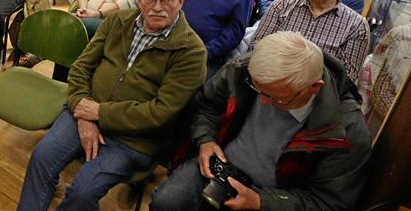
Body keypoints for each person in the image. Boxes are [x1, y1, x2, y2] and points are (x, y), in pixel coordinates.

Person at [18, 0, 207, 211]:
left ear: (180, 1)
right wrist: (82, 111)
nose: (158, 6)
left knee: (82, 192)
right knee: (41, 159)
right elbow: (80, 68)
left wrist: (99, 113)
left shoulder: (191, 51)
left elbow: (160, 113)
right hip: (83, 112)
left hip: (133, 139)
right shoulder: (117, 21)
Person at [150, 31, 371, 211]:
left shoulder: (346, 131)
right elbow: (208, 106)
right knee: (167, 202)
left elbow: (328, 202)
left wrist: (262, 202)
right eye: (258, 91)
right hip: (220, 166)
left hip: (276, 195)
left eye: (277, 98)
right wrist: (205, 140)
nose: (264, 102)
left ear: (314, 87)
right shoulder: (246, 70)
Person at [251, 0, 369, 84]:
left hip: (318, 95)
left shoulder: (356, 25)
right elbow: (256, 48)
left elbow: (347, 78)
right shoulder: (281, 6)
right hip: (270, 82)